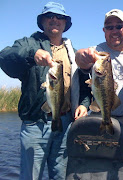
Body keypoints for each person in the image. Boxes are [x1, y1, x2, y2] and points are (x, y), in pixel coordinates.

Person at [0, 2, 91, 179]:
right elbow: (5, 56)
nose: (54, 20)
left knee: (60, 175)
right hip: (35, 123)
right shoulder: (29, 43)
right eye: (49, 17)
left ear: (65, 23)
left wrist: (84, 104)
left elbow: (85, 86)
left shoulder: (72, 52)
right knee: (31, 176)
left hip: (65, 124)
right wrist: (32, 54)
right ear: (42, 22)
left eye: (59, 17)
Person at [75, 9, 123, 178]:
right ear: (104, 31)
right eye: (109, 27)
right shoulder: (98, 51)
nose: (114, 31)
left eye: (119, 26)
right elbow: (80, 58)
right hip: (101, 116)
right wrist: (82, 55)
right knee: (102, 165)